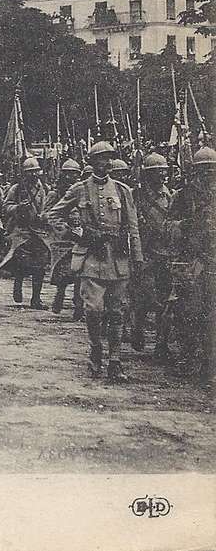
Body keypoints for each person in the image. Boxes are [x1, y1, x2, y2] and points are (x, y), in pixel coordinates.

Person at [47, 141, 143, 382]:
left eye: (110, 158)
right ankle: (95, 351)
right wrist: (75, 233)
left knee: (116, 312)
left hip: (118, 258)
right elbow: (53, 215)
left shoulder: (123, 190)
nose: (107, 163)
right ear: (92, 162)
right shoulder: (80, 189)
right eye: (102, 158)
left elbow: (133, 227)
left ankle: (115, 360)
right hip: (91, 257)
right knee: (93, 310)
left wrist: (138, 257)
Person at [164, 146, 216, 383]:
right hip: (191, 263)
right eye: (204, 170)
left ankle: (208, 363)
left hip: (213, 260)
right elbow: (167, 225)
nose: (209, 174)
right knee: (188, 312)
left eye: (212, 169)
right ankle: (187, 356)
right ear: (195, 171)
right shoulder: (183, 196)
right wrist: (184, 225)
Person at [131, 152, 175, 356]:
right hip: (145, 254)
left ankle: (161, 343)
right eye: (157, 172)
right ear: (147, 174)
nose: (162, 176)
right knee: (145, 297)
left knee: (166, 301)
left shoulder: (170, 195)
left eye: (163, 171)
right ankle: (137, 328)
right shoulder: (137, 196)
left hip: (166, 253)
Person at [0, 157, 51, 310]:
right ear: (24, 173)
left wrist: (45, 216)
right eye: (29, 172)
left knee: (40, 267)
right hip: (22, 231)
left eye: (35, 172)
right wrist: (18, 208)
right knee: (22, 263)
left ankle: (36, 299)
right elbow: (6, 207)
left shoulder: (44, 188)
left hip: (39, 231)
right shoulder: (16, 188)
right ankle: (18, 285)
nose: (33, 175)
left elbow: (48, 207)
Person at [46, 158, 85, 317]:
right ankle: (60, 294)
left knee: (79, 273)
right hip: (61, 239)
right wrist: (63, 227)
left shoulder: (83, 191)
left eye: (75, 175)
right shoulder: (55, 194)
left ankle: (78, 306)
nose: (71, 178)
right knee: (62, 272)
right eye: (68, 175)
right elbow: (48, 214)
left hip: (79, 237)